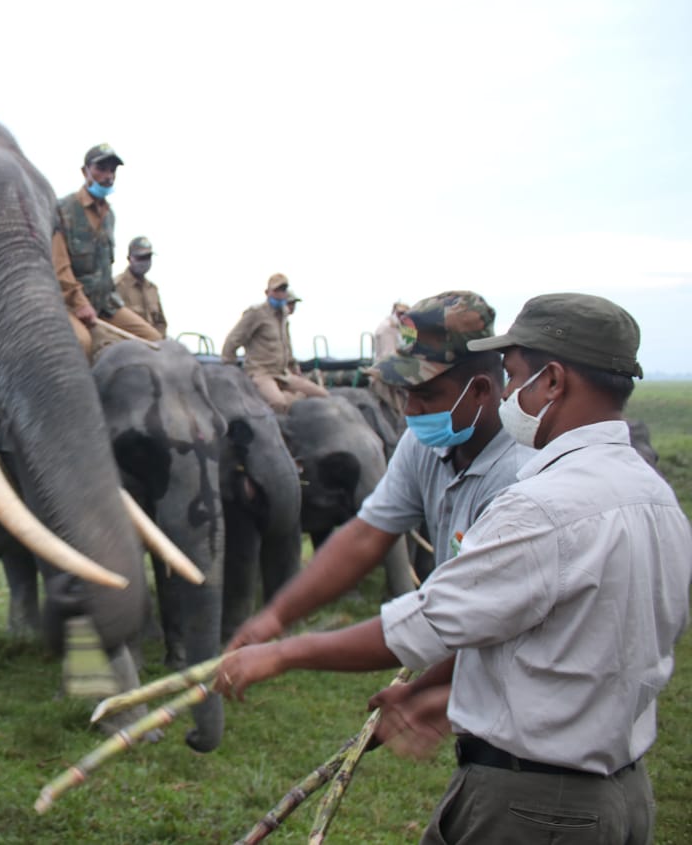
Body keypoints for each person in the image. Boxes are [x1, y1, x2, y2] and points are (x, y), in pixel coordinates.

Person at [217, 293, 692, 845]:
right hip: (618, 796)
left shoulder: (538, 503)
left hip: (533, 807)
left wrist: (280, 652)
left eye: (514, 377)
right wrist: (437, 693)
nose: (512, 392)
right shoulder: (658, 499)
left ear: (554, 382)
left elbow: (428, 625)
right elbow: (563, 640)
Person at [227, 291, 528, 733]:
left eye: (425, 394)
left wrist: (284, 654)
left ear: (481, 389)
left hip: (535, 727)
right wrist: (277, 614)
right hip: (484, 709)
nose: (410, 411)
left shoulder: (523, 474)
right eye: (405, 393)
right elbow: (368, 533)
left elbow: (465, 621)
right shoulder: (425, 443)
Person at [52, 144, 161, 358]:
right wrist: (80, 303)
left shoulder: (109, 215)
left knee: (155, 341)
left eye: (112, 170)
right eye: (101, 169)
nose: (108, 176)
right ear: (85, 172)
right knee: (83, 343)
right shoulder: (63, 210)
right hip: (69, 304)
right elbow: (60, 267)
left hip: (105, 304)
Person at [221, 272, 328, 412]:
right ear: (267, 292)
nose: (280, 294)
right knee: (278, 403)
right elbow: (232, 340)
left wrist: (293, 365)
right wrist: (231, 370)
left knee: (322, 395)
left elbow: (285, 345)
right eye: (276, 290)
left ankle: (292, 404)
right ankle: (279, 430)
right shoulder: (256, 313)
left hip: (281, 373)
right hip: (261, 373)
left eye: (283, 290)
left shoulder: (283, 315)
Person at [114, 235, 168, 337]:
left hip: (154, 344)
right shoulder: (117, 286)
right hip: (128, 344)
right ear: (129, 259)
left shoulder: (152, 289)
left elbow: (161, 323)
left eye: (148, 258)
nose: (144, 262)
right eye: (140, 258)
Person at [371, 300, 412, 419]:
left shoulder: (400, 328)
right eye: (401, 313)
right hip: (385, 373)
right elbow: (388, 357)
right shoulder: (387, 328)